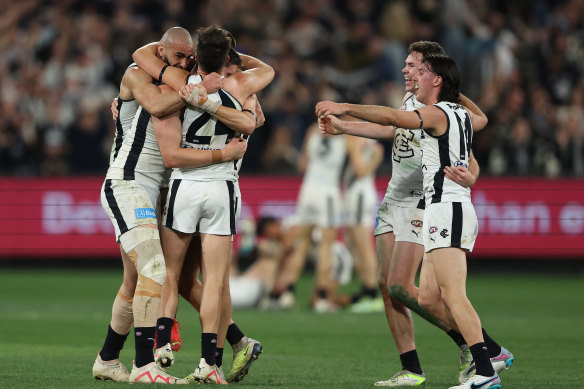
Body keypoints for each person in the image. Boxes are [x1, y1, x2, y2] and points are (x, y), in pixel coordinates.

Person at [317, 42, 513, 387]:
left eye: (415, 67)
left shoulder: (440, 110)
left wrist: (345, 107)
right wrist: (345, 127)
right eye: (408, 66)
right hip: (402, 198)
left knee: (415, 288)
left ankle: (483, 355)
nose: (408, 71)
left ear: (433, 75)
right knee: (401, 288)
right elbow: (397, 127)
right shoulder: (419, 104)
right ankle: (450, 360)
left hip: (427, 201)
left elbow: (467, 132)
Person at [95, 27, 247, 385]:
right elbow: (158, 102)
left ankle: (107, 358)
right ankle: (145, 364)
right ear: (161, 51)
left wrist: (207, 93)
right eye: (177, 57)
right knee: (154, 268)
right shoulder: (138, 74)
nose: (184, 62)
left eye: (187, 57)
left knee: (135, 281)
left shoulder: (181, 75)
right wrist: (201, 94)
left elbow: (242, 84)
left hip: (158, 189)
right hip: (128, 182)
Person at [132, 25, 274, 384]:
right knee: (214, 283)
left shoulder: (180, 86)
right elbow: (268, 73)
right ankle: (210, 361)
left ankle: (161, 344)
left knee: (170, 273)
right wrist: (237, 63)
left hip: (184, 183)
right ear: (228, 58)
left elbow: (141, 56)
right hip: (223, 187)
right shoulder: (241, 86)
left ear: (195, 56)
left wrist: (200, 92)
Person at [268, 122, 347, 312]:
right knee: (326, 248)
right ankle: (321, 298)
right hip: (328, 193)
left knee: (301, 244)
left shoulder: (312, 130)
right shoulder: (345, 131)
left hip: (308, 191)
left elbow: (302, 165)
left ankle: (288, 294)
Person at [343, 134, 384, 313]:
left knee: (363, 246)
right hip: (358, 193)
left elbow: (359, 170)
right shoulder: (375, 145)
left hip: (359, 193)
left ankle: (372, 293)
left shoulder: (355, 140)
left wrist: (354, 148)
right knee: (352, 244)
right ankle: (366, 288)